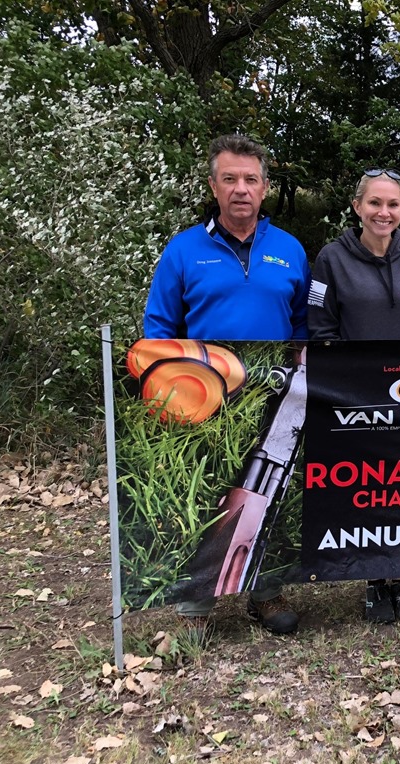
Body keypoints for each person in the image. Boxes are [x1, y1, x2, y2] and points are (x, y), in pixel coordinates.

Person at [144, 134, 309, 636]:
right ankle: (195, 606)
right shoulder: (183, 250)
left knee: (271, 490)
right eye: (230, 179)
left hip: (275, 394)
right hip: (204, 395)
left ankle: (265, 590)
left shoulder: (290, 249)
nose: (241, 189)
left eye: (250, 179)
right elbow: (158, 331)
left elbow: (303, 325)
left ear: (264, 187)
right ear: (214, 186)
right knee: (207, 493)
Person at [308, 168, 400, 623]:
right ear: (357, 206)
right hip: (356, 399)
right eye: (375, 203)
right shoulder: (331, 259)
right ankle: (371, 578)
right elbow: (321, 327)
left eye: (393, 204)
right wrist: (349, 381)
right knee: (367, 490)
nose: (384, 212)